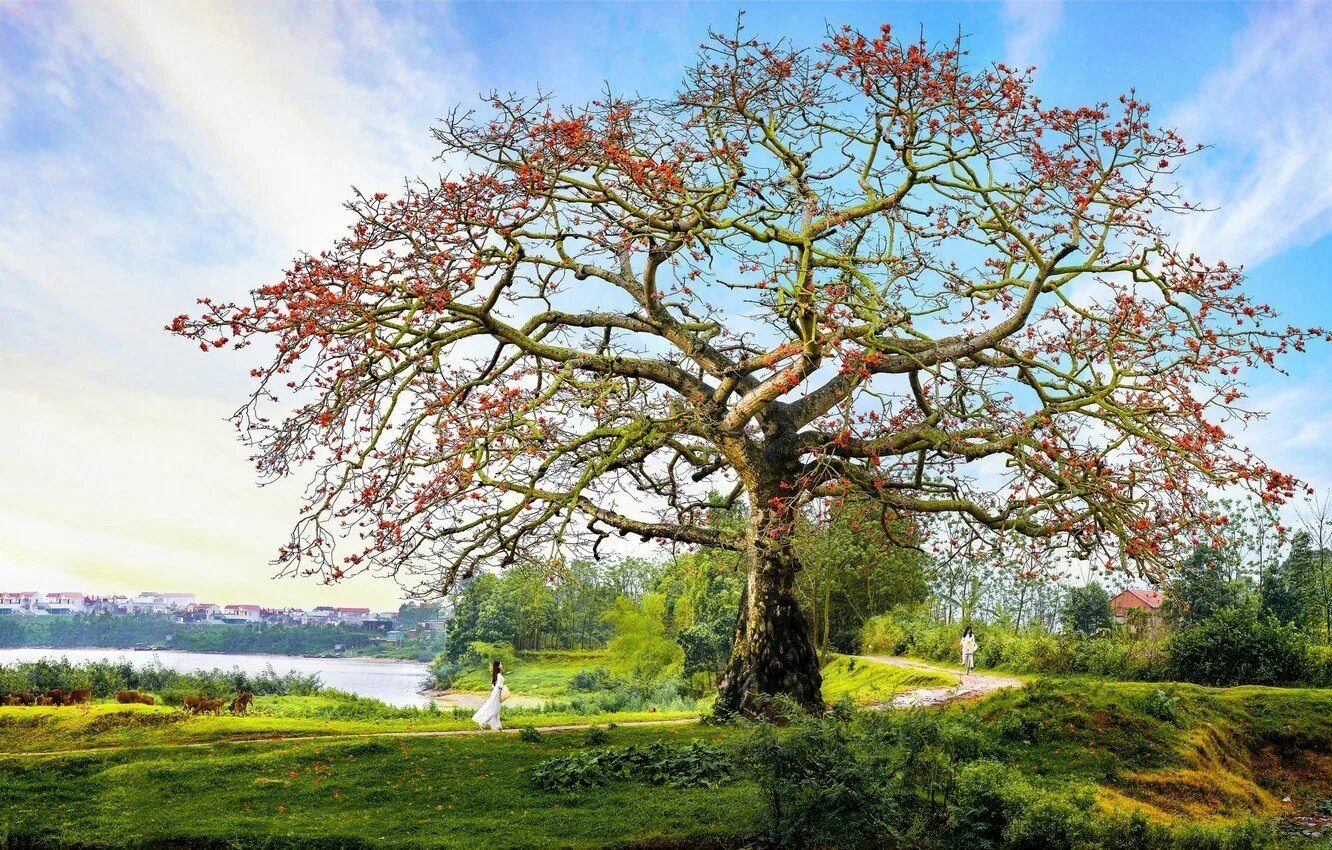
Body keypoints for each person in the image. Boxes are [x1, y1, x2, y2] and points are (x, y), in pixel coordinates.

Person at [471, 660, 507, 731]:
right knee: (495, 710)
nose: (502, 665)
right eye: (501, 664)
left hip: (495, 692)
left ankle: (498, 726)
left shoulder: (495, 675)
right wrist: (504, 687)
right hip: (497, 693)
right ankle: (483, 723)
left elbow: (493, 686)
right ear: (498, 666)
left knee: (496, 710)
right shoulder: (499, 675)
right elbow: (499, 685)